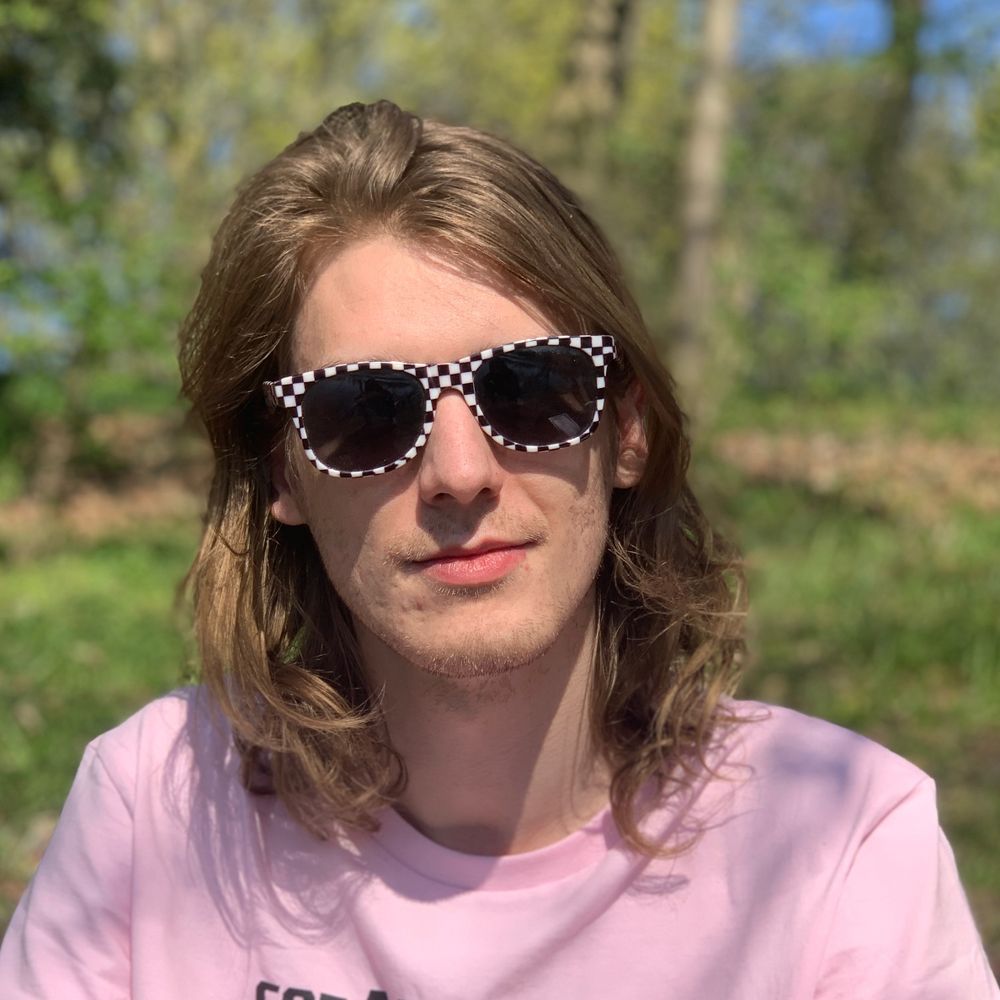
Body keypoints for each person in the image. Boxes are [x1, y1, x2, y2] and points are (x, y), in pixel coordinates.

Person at [1, 99, 996, 1000]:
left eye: (530, 391)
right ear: (284, 472)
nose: (461, 472)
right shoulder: (155, 811)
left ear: (627, 429)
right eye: (365, 410)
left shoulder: (840, 846)